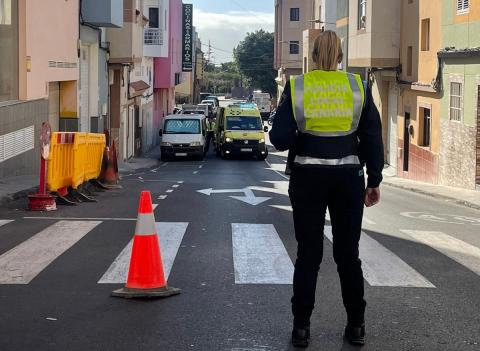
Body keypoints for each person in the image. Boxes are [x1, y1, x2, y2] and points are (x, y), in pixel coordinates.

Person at [270, 31, 383, 348]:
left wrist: (302, 131)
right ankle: (357, 326)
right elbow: (373, 137)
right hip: (348, 177)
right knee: (349, 255)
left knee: (308, 255)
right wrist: (374, 180)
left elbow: (279, 139)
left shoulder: (297, 87)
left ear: (314, 54)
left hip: (307, 178)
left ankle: (302, 329)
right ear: (340, 56)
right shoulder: (357, 86)